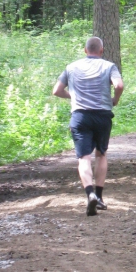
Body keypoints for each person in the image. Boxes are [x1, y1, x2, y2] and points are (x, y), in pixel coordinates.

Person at [52, 37, 124, 216]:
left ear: (85, 50)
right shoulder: (109, 66)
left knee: (84, 158)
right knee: (101, 154)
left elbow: (56, 91)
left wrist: (73, 97)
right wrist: (114, 99)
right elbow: (119, 85)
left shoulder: (71, 67)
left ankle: (89, 193)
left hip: (80, 116)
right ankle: (99, 197)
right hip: (102, 116)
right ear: (101, 50)